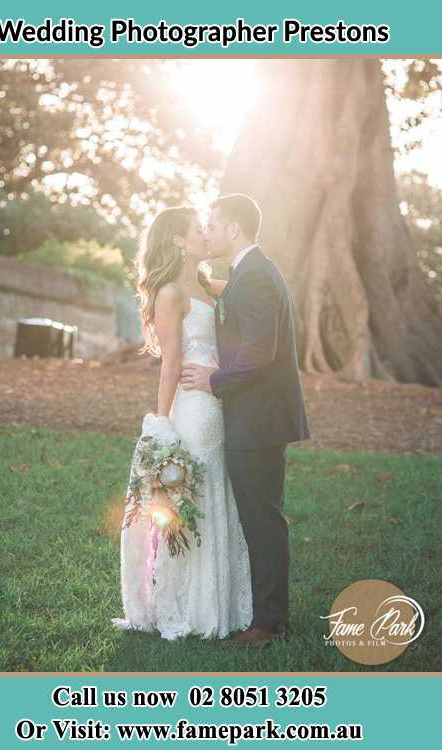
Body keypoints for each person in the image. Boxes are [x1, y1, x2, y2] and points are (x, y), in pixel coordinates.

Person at [111, 206, 252, 640]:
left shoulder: (211, 286)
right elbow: (171, 361)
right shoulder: (172, 293)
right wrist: (161, 423)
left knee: (215, 497)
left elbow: (254, 292)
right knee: (192, 503)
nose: (206, 236)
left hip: (220, 399)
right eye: (197, 231)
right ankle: (189, 607)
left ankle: (218, 603)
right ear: (177, 241)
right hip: (193, 408)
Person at [181, 193, 310, 648]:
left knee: (261, 520)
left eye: (213, 224)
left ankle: (269, 624)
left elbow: (259, 352)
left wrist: (214, 379)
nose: (208, 232)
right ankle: (268, 615)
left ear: (233, 228)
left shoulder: (255, 276)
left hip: (258, 419)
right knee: (261, 517)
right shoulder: (247, 274)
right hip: (256, 417)